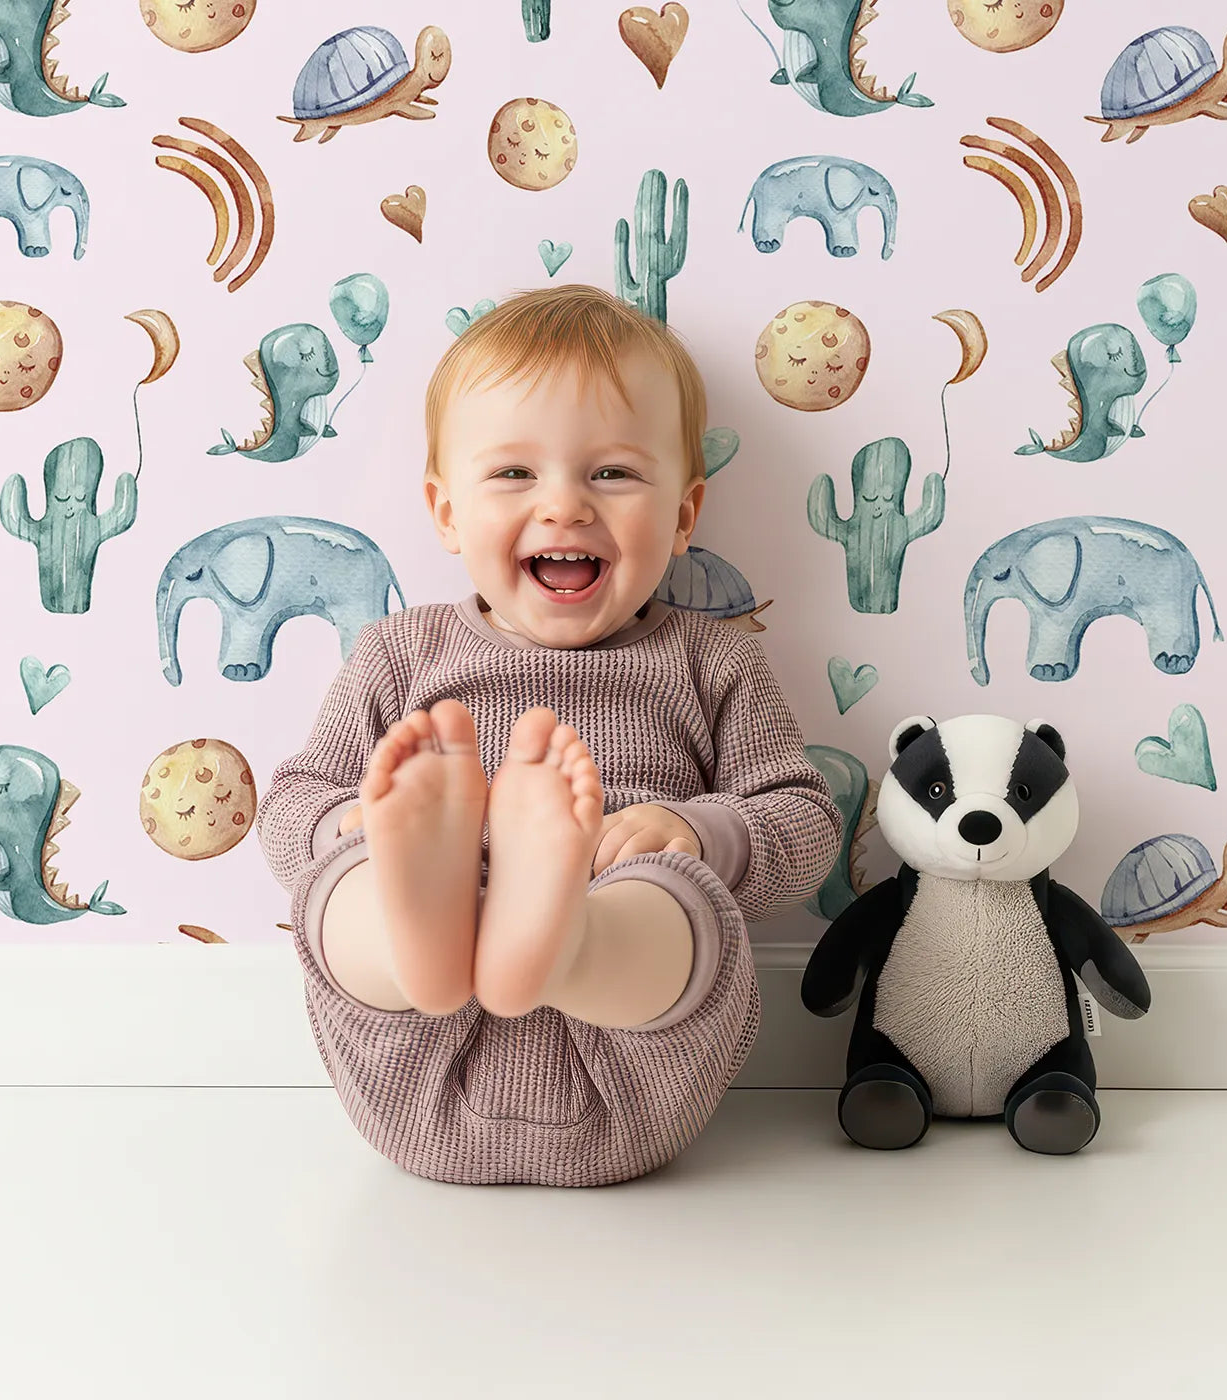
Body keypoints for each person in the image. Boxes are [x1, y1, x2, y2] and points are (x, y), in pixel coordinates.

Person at [255, 284, 842, 1187]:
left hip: (638, 1068)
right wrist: (351, 830)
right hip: (412, 1064)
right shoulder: (401, 656)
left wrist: (697, 834)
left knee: (668, 891)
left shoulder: (710, 663)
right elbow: (290, 804)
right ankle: (420, 930)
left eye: (611, 473)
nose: (564, 506)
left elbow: (802, 824)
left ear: (684, 516)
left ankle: (563, 939)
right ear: (446, 511)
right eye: (513, 473)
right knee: (347, 874)